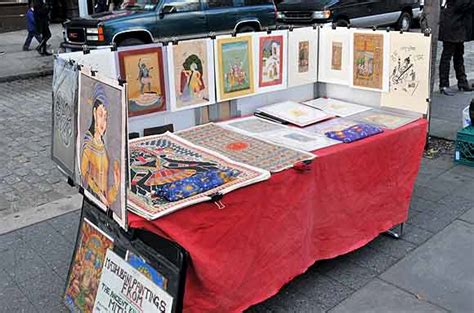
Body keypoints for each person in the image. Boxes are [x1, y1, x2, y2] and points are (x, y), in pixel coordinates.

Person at [80, 84, 120, 208]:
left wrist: (117, 184)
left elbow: (109, 195)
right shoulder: (88, 144)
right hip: (94, 200)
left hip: (104, 203)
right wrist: (100, 196)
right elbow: (84, 172)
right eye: (100, 114)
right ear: (94, 113)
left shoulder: (103, 145)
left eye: (106, 117)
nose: (103, 122)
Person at [438, 0, 473, 95]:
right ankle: (444, 84)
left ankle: (462, 81)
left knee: (459, 54)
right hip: (452, 24)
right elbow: (460, 5)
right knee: (447, 55)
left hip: (458, 25)